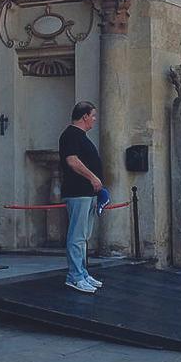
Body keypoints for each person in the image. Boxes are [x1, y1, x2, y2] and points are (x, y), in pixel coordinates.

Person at [59, 101, 104, 293]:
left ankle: (83, 273)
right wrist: (93, 177)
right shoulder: (70, 135)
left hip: (87, 193)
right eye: (93, 116)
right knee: (77, 237)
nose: (94, 119)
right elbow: (72, 160)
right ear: (85, 116)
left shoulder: (81, 136)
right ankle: (75, 276)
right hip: (77, 192)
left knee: (84, 236)